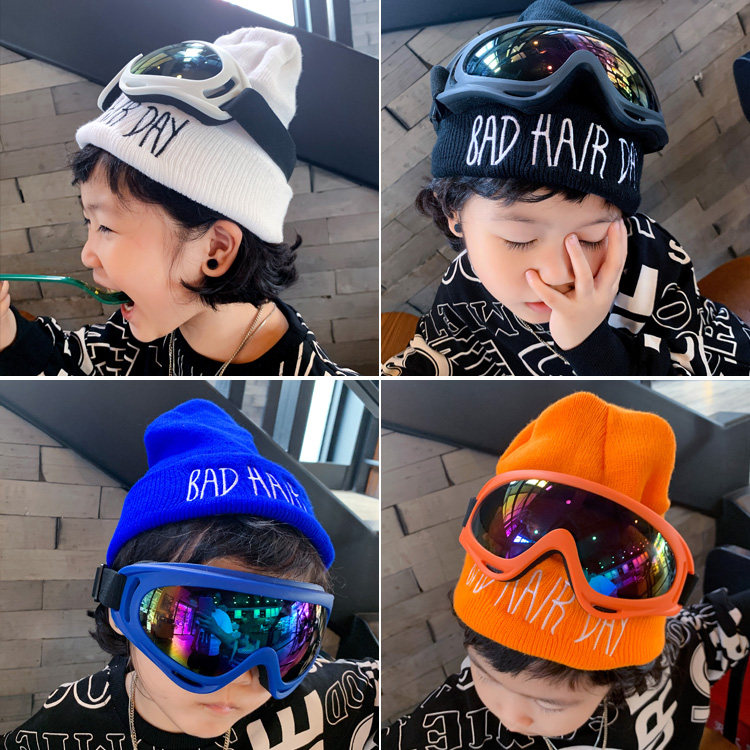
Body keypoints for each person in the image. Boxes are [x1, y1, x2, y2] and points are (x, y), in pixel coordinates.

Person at [382, 0, 750, 376]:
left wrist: (593, 345)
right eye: (519, 239)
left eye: (591, 239)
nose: (559, 274)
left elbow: (720, 372)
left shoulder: (651, 259)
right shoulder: (462, 290)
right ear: (453, 213)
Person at [380, 392, 750, 749]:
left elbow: (721, 623)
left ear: (620, 675)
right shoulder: (449, 725)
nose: (511, 718)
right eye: (482, 674)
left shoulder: (679, 656)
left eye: (550, 705)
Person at [2, 399, 378, 747]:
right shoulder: (60, 732)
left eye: (284, 640)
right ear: (120, 606)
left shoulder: (336, 698)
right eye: (200, 633)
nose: (243, 678)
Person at [0, 29, 356, 375]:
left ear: (215, 249)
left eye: (106, 226)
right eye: (88, 223)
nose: (87, 255)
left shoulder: (305, 372)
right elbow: (76, 361)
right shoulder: (146, 326)